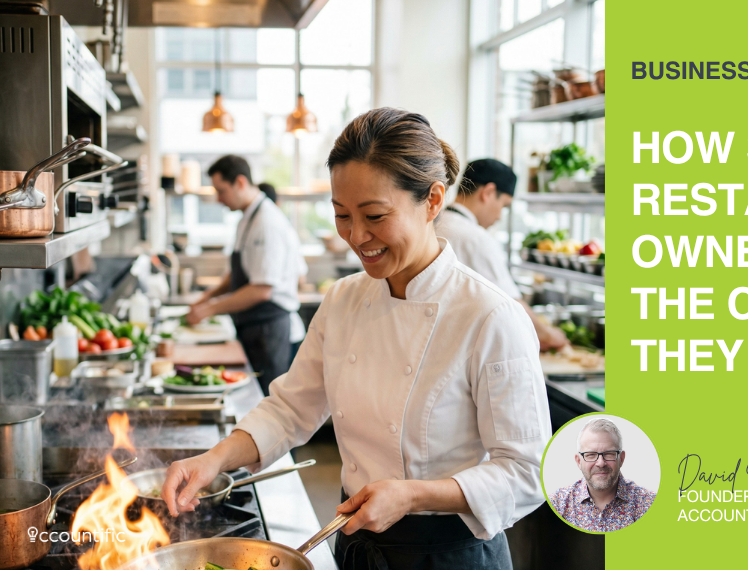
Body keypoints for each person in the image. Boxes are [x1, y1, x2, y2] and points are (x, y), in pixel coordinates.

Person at [161, 108, 551, 569]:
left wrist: (411, 495)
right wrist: (214, 460)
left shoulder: (490, 316)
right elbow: (291, 408)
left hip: (451, 555)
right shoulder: (344, 299)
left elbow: (528, 472)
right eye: (342, 215)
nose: (356, 236)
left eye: (375, 215)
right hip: (359, 547)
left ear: (432, 201)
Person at [187, 156, 303, 392]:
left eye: (221, 191)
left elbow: (261, 289)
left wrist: (210, 309)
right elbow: (237, 273)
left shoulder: (266, 223)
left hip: (270, 331)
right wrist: (206, 298)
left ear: (240, 182)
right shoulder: (247, 218)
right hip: (254, 327)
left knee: (271, 405)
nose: (218, 199)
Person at [436, 158, 567, 351]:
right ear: (488, 193)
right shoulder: (475, 238)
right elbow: (513, 304)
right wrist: (550, 335)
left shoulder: (436, 222)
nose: (499, 217)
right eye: (504, 206)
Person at [549, 418, 656, 532]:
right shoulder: (557, 504)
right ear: (578, 461)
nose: (600, 463)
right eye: (591, 455)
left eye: (609, 454)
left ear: (622, 458)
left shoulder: (649, 504)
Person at [259, 181, 308, 365]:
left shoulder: (270, 225)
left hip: (281, 329)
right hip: (281, 327)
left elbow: (263, 288)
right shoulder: (281, 226)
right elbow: (301, 278)